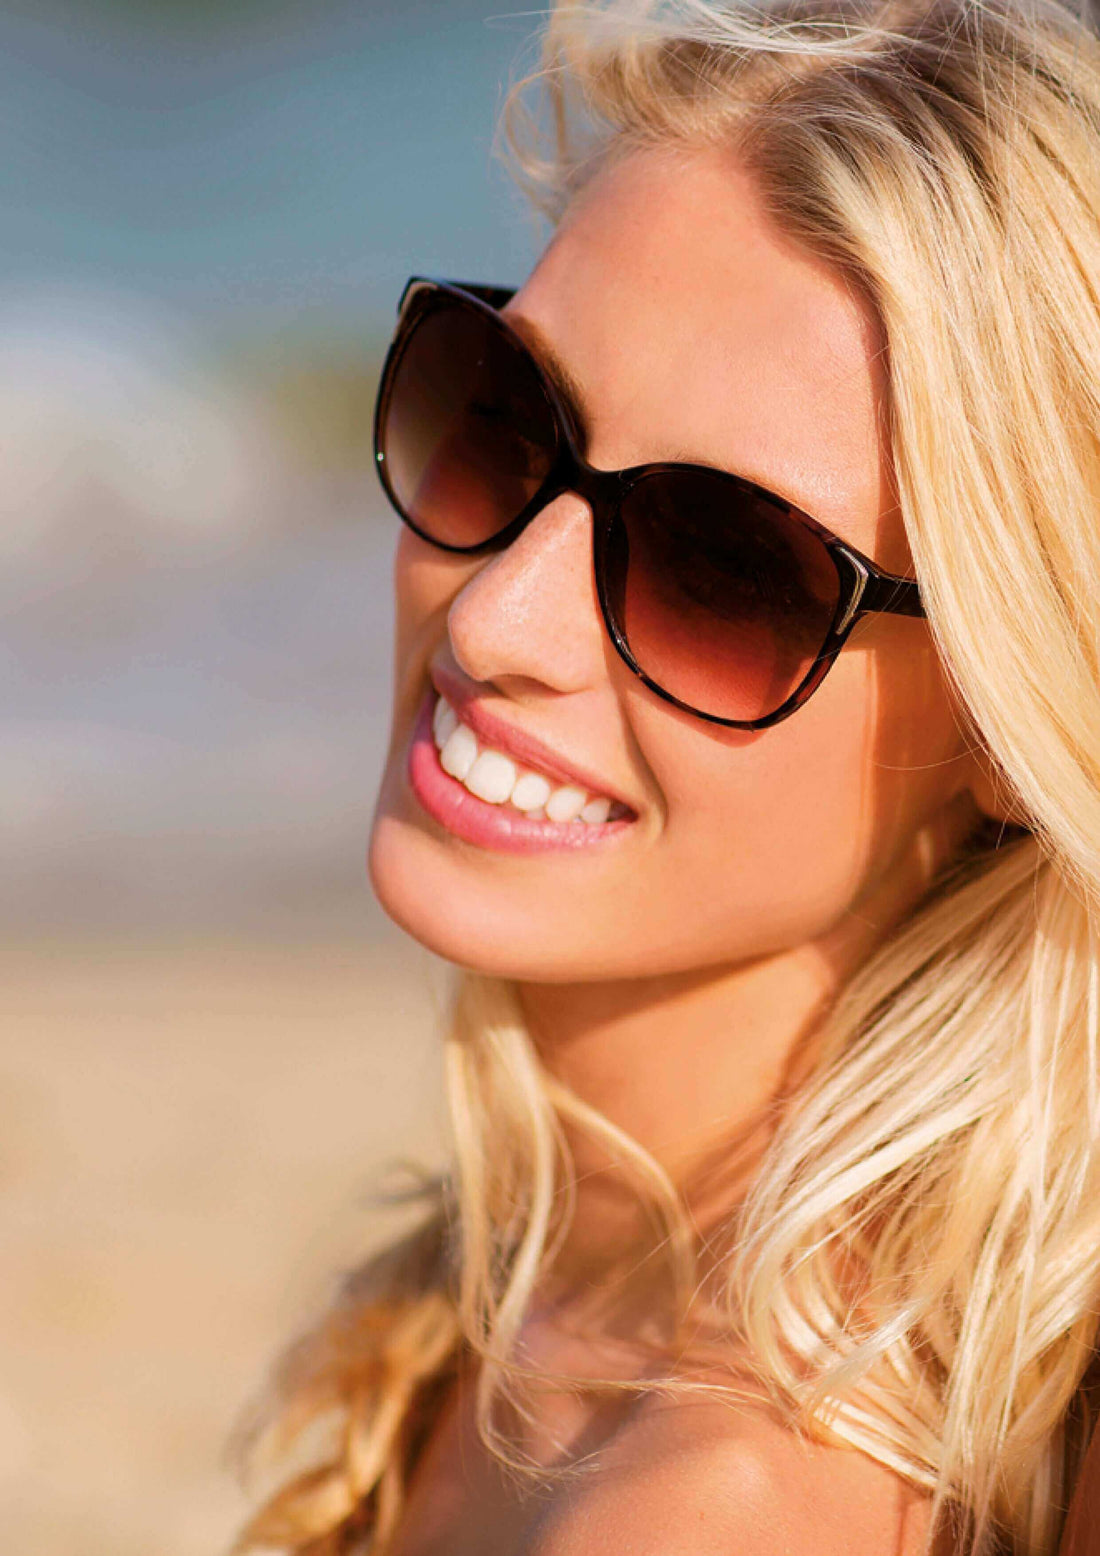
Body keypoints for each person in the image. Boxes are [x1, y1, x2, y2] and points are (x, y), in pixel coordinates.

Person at [234, 0, 1100, 1552]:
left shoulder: (718, 1501)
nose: (498, 615)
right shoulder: (538, 1292)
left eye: (722, 567)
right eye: (498, 415)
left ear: (1005, 725)